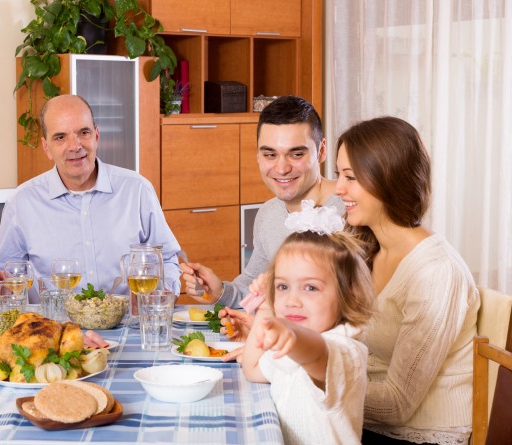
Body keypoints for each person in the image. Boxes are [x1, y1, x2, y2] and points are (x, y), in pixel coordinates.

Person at [335, 117, 478, 444]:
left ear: (388, 179)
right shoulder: (369, 250)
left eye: (351, 177)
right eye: (338, 175)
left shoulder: (436, 272)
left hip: (420, 435)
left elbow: (396, 405)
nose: (339, 188)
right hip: (366, 423)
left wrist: (315, 376)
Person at [0, 94, 181, 299]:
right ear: (46, 148)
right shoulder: (22, 202)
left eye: (83, 132)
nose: (75, 146)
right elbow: (3, 275)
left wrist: (162, 298)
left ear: (96, 136)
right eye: (60, 137)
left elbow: (167, 259)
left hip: (128, 325)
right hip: (54, 327)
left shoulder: (137, 190)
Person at [180, 95, 343, 308]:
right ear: (258, 155)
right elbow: (252, 282)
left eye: (296, 154)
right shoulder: (268, 213)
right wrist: (220, 290)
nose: (282, 168)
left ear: (321, 151)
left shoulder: (349, 207)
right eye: (270, 154)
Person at [239, 202, 374, 444]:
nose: (291, 300)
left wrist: (290, 334)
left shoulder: (346, 350)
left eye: (310, 287)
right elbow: (252, 368)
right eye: (282, 286)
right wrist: (267, 307)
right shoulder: (292, 344)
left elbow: (317, 353)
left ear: (349, 295)